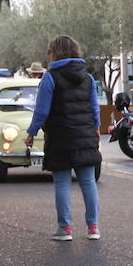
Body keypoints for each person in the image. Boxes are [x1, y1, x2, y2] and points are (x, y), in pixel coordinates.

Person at [24, 35, 102, 241]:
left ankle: (65, 228)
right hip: (85, 135)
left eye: (50, 52)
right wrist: (96, 130)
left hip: (59, 137)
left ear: (56, 52)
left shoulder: (50, 77)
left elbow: (42, 111)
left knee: (62, 183)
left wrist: (31, 132)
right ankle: (93, 227)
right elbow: (94, 109)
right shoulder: (88, 78)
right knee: (88, 182)